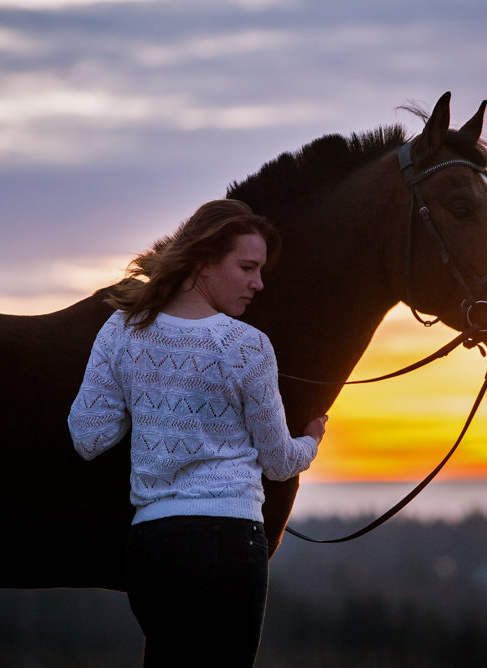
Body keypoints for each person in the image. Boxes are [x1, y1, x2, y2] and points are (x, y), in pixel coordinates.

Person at [68, 199, 326, 667]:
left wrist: (148, 396)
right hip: (228, 546)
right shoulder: (246, 346)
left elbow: (88, 437)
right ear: (204, 261)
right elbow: (278, 462)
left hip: (152, 549)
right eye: (247, 267)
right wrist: (311, 440)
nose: (258, 283)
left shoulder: (122, 329)